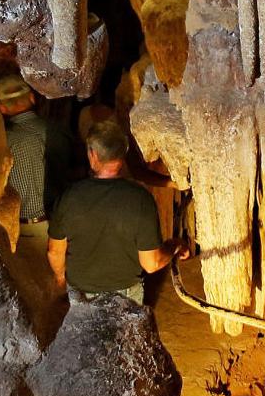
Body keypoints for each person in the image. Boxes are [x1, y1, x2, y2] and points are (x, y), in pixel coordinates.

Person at [47, 120, 187, 304]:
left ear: (92, 154)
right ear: (124, 154)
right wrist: (174, 246)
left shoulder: (69, 197)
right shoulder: (140, 199)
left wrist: (60, 278)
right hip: (125, 295)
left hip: (81, 293)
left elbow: (54, 252)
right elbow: (151, 263)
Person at [0, 73, 72, 261]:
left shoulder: (1, 143)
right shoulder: (59, 131)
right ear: (32, 98)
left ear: (1, 108)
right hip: (61, 225)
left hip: (21, 231)